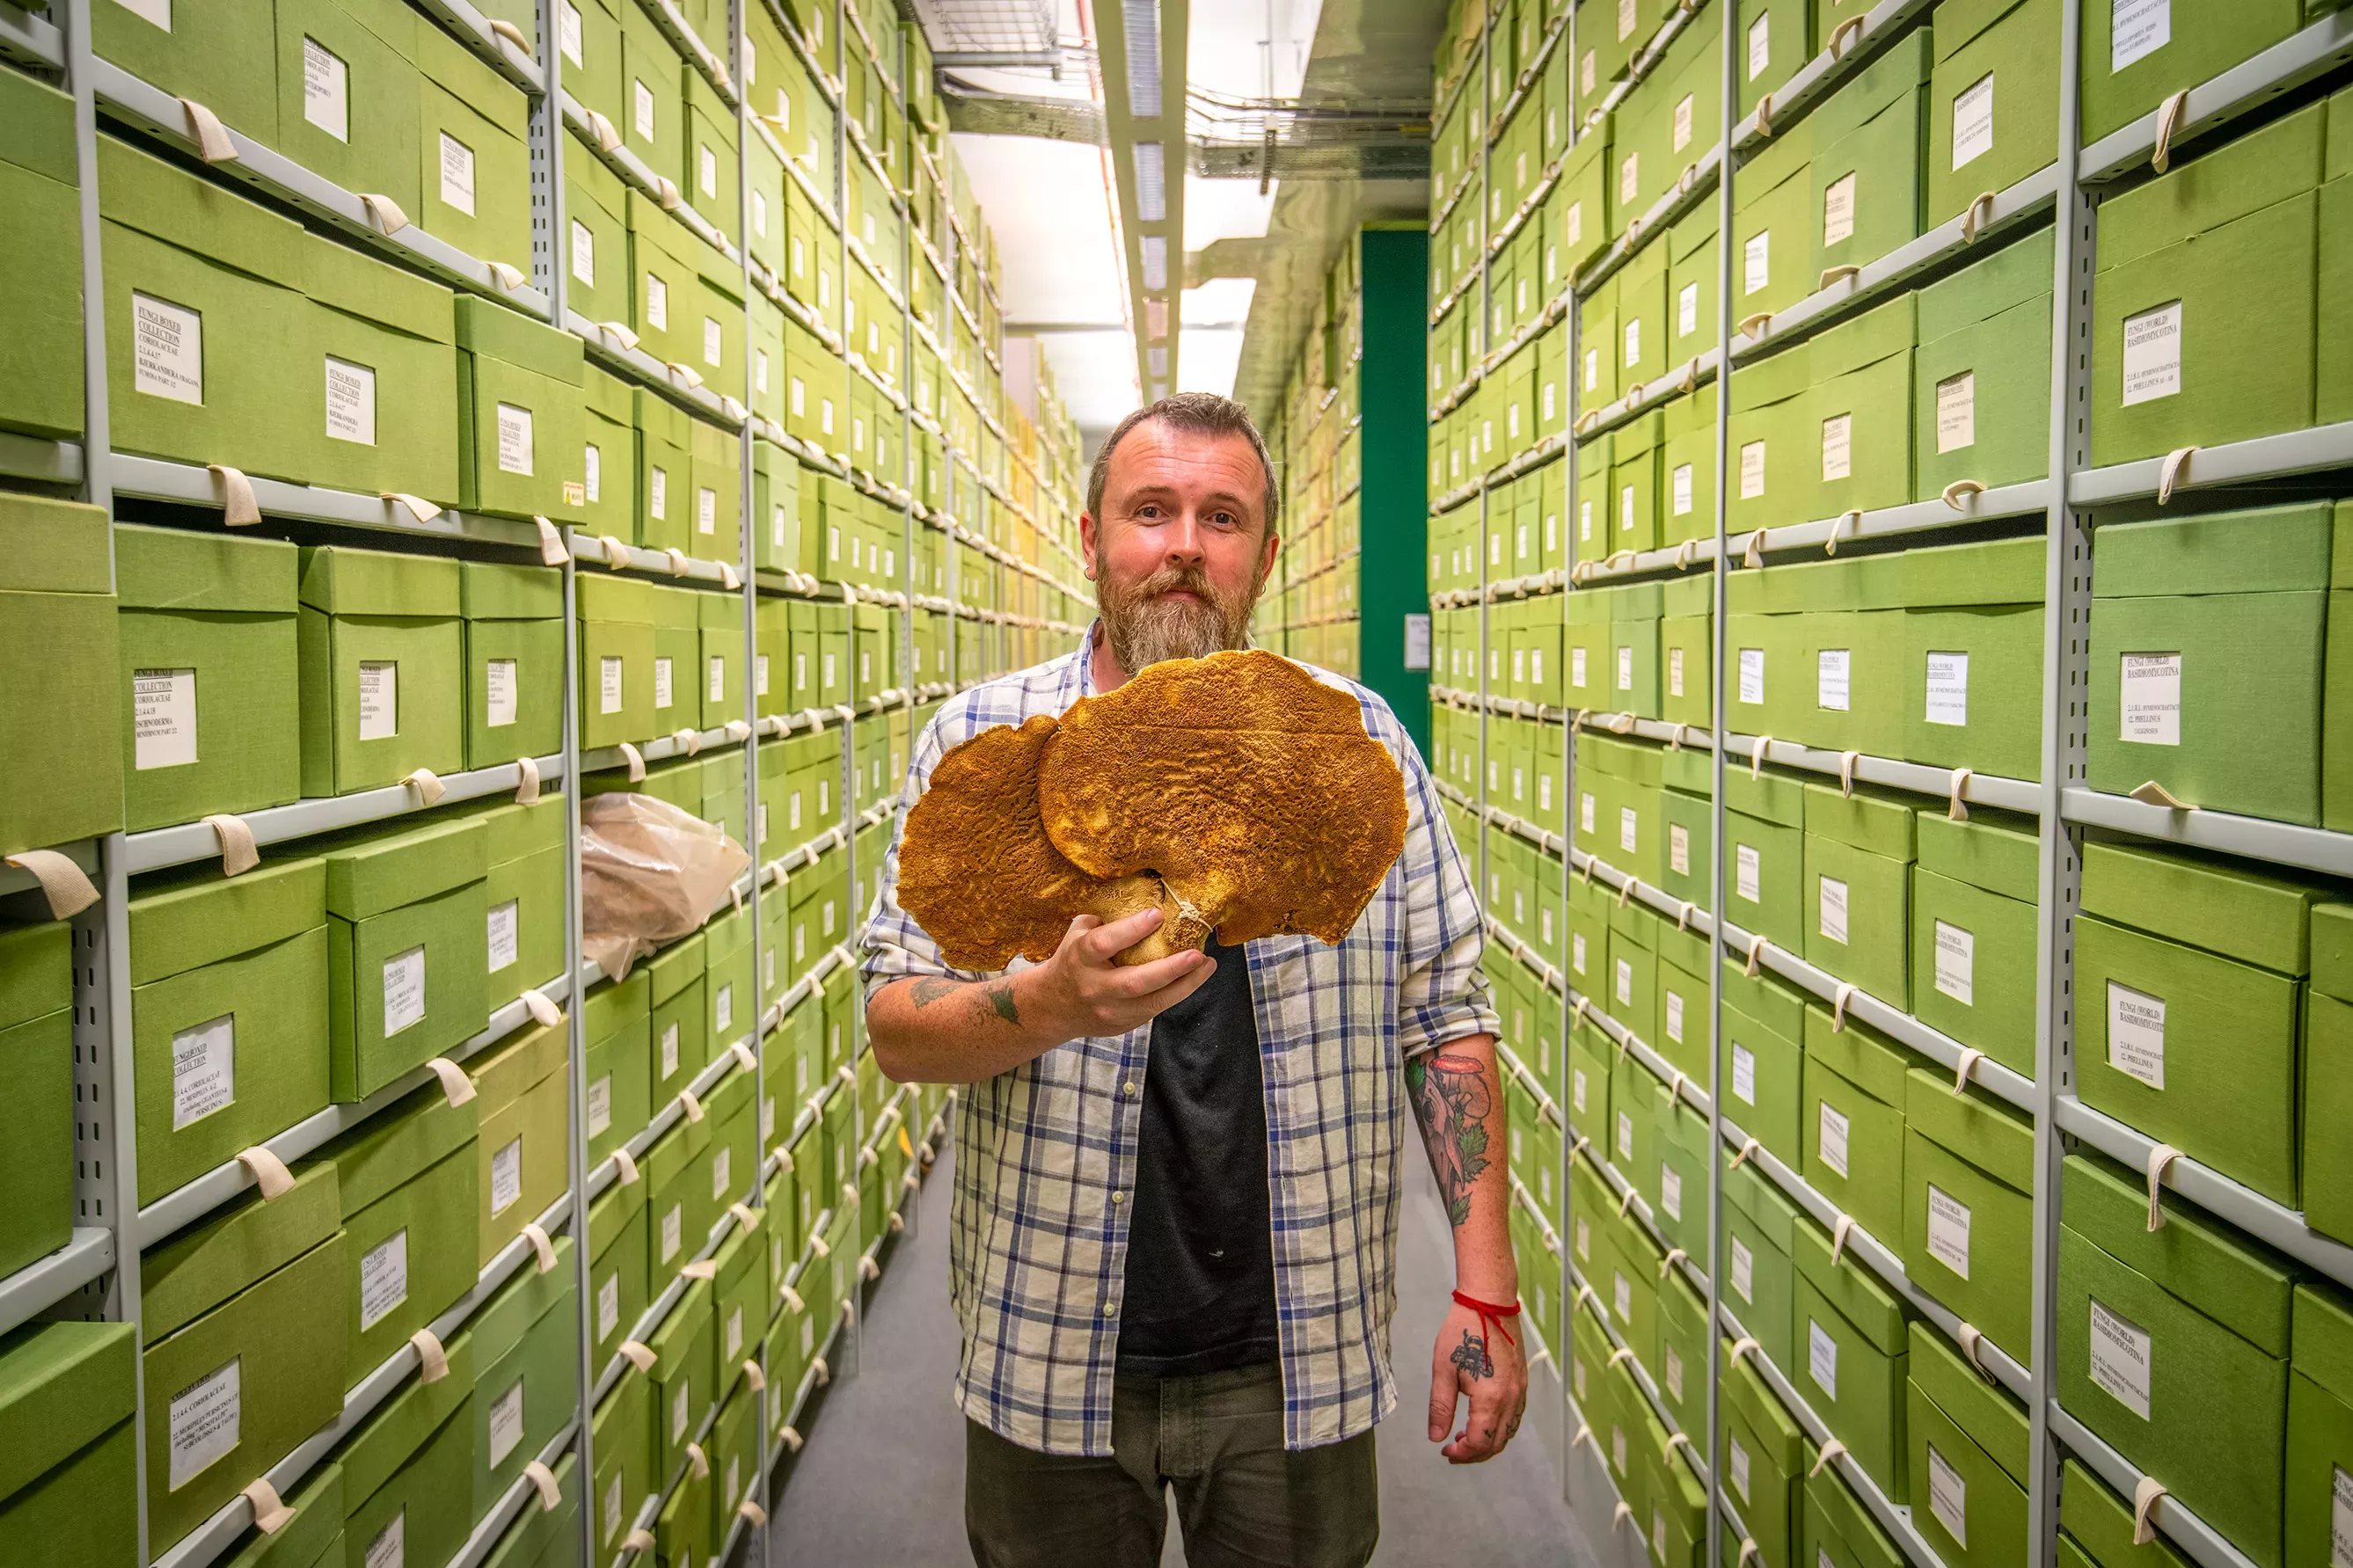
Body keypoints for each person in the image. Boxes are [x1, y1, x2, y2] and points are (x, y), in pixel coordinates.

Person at [859, 392, 1524, 1568]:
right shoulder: (980, 743)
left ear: (1265, 556)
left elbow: (1445, 1019)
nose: (1181, 546)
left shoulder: (1359, 750)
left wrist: (1485, 1293)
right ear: (1090, 536)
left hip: (1297, 1353)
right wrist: (1044, 1005)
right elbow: (897, 1026)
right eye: (1150, 509)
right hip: (1046, 1336)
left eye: (1221, 517)